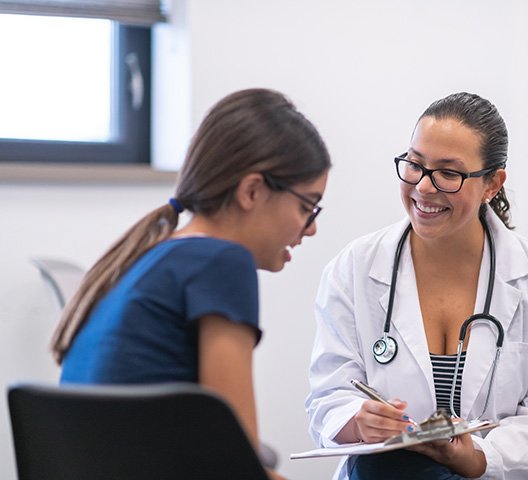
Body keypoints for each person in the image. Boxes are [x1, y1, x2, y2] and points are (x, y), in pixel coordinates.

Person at [51, 88, 331, 480]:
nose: (312, 228)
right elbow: (237, 468)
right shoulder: (221, 261)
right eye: (307, 206)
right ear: (252, 191)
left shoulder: (145, 257)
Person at [305, 92, 528, 479]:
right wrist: (359, 421)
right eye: (415, 165)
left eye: (448, 174)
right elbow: (329, 395)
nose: (423, 187)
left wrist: (477, 460)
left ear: (492, 183)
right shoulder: (354, 268)